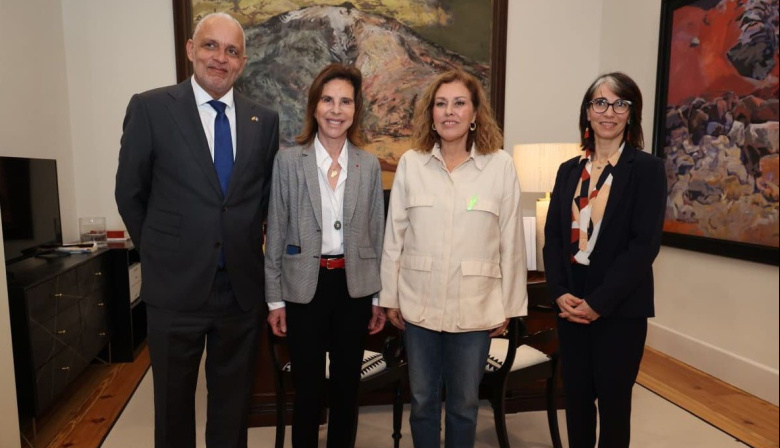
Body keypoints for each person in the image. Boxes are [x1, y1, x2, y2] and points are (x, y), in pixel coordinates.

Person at [114, 12, 279, 448]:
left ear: (242, 62)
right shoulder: (151, 108)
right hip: (175, 290)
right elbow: (130, 192)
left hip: (240, 291)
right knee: (172, 409)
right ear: (191, 50)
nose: (219, 58)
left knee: (232, 407)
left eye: (231, 51)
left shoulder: (263, 120)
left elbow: (261, 198)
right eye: (211, 46)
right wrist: (159, 252)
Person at [380, 69, 527, 448]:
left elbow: (511, 241)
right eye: (441, 104)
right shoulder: (412, 164)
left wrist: (509, 306)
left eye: (459, 103)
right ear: (431, 113)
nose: (450, 112)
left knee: (464, 405)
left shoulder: (500, 166)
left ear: (475, 113)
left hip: (475, 307)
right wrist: (389, 297)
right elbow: (394, 236)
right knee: (424, 402)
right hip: (418, 304)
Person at [264, 63, 387, 448]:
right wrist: (274, 300)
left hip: (353, 290)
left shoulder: (367, 165)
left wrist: (380, 298)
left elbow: (377, 235)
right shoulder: (288, 162)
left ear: (355, 109)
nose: (336, 109)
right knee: (309, 393)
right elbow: (275, 232)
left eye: (345, 101)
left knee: (347, 392)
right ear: (315, 107)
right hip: (304, 290)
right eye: (328, 100)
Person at [542, 72, 667, 448]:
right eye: (600, 102)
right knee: (576, 401)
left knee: (614, 406)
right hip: (571, 307)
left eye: (619, 103)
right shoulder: (569, 171)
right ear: (587, 112)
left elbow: (644, 246)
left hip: (620, 310)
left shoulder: (647, 170)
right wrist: (559, 290)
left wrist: (599, 303)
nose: (608, 111)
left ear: (631, 113)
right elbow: (553, 238)